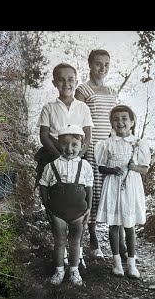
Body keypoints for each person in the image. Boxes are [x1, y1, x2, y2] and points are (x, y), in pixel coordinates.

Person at [36, 62, 94, 267]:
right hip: (53, 158)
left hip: (77, 158)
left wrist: (77, 158)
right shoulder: (49, 107)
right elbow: (44, 136)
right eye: (61, 79)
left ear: (76, 82)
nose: (66, 83)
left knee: (79, 203)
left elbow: (87, 137)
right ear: (54, 83)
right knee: (56, 203)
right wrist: (59, 156)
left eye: (70, 79)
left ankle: (77, 253)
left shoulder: (83, 107)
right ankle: (61, 251)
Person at [75, 49, 125, 259]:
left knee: (114, 192)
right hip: (92, 147)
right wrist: (83, 150)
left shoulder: (112, 91)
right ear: (89, 64)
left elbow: (116, 123)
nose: (102, 69)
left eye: (106, 64)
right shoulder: (82, 90)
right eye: (98, 64)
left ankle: (121, 242)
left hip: (110, 148)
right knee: (93, 194)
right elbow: (78, 122)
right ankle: (93, 239)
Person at [95, 105, 150, 278]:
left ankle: (132, 264)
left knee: (129, 226)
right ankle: (117, 263)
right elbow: (101, 167)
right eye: (116, 119)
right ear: (111, 122)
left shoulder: (138, 143)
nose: (120, 122)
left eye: (124, 118)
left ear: (132, 122)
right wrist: (111, 170)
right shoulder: (106, 144)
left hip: (130, 188)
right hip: (112, 186)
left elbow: (145, 169)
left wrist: (133, 167)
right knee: (113, 226)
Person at [39, 124, 93, 286]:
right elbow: (43, 185)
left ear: (81, 146)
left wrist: (89, 208)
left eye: (74, 145)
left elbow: (89, 187)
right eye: (65, 144)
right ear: (58, 144)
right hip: (57, 212)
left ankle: (74, 270)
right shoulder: (52, 166)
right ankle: (59, 270)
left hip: (79, 211)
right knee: (60, 241)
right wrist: (47, 208)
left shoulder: (85, 166)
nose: (69, 148)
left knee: (75, 241)